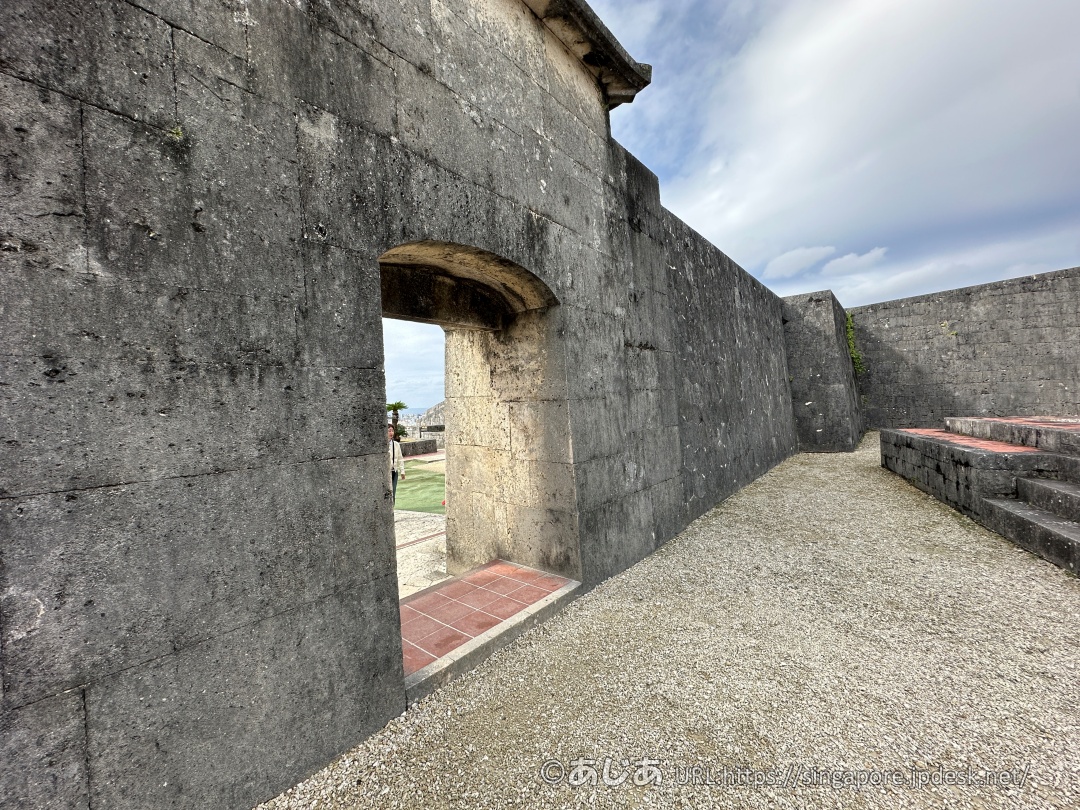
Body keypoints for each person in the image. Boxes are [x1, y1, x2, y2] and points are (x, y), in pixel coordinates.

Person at [388, 425, 405, 504]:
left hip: (394, 471)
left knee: (393, 492)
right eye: (389, 431)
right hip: (386, 472)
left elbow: (400, 458)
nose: (391, 433)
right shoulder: (382, 445)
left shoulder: (396, 444)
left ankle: (392, 508)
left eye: (392, 430)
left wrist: (402, 471)